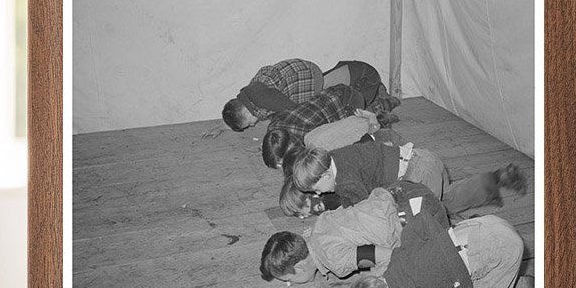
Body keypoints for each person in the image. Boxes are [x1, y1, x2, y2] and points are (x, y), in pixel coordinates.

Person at [338, 189, 529, 288]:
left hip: (500, 250)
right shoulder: (395, 264)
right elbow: (422, 220)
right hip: (481, 225)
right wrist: (444, 247)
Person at [291, 139, 528, 216]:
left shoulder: (345, 180)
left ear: (324, 173)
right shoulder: (336, 157)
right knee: (449, 200)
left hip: (418, 174)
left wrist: (332, 219)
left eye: (316, 187)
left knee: (425, 222)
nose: (318, 193)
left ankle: (466, 236)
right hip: (424, 159)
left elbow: (365, 211)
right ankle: (497, 178)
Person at [260, 187, 404, 283]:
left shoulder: (335, 260)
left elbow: (391, 256)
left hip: (407, 220)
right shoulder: (319, 224)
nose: (291, 283)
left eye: (289, 280)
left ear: (299, 268)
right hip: (394, 194)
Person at [222, 58, 395, 131]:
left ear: (246, 112)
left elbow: (297, 114)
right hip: (300, 70)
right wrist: (224, 126)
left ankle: (378, 95)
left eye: (248, 125)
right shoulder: (250, 92)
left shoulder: (263, 99)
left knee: (337, 100)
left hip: (308, 80)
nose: (252, 126)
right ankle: (377, 94)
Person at [260, 86, 364, 168]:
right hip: (332, 92)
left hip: (348, 102)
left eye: (281, 164)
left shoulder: (306, 138)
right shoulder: (273, 128)